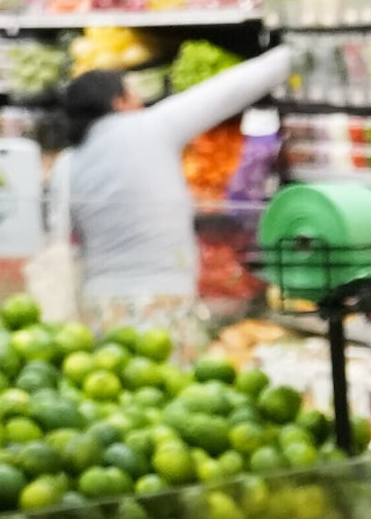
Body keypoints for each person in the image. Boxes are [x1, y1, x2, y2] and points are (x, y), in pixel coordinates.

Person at [46, 45, 292, 334]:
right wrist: (289, 54)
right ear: (119, 102)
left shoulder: (67, 163)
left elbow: (60, 237)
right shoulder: (151, 128)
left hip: (98, 304)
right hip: (162, 300)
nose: (140, 101)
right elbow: (228, 90)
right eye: (132, 93)